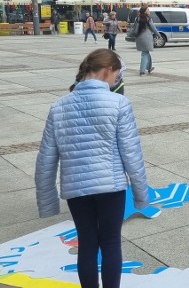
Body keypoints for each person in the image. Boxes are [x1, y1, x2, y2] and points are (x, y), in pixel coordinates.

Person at [35, 49, 148, 288]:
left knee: (87, 242)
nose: (116, 80)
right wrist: (141, 194)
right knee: (110, 243)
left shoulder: (59, 106)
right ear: (108, 71)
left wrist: (47, 202)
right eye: (116, 75)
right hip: (111, 186)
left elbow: (45, 159)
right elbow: (132, 153)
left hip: (76, 189)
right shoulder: (119, 103)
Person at [134, 6, 158, 76]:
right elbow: (153, 28)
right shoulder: (148, 19)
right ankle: (142, 71)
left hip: (139, 37)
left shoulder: (137, 18)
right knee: (145, 54)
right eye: (148, 9)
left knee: (146, 52)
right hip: (146, 38)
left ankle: (149, 67)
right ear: (145, 11)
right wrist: (158, 35)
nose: (149, 10)